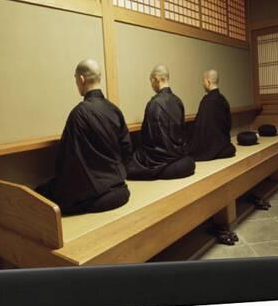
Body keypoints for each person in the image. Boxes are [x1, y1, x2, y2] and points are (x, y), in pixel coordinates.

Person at [35, 59, 133, 215]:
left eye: (76, 80)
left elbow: (66, 161)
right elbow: (127, 150)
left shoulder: (78, 114)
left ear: (82, 79)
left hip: (95, 191)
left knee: (40, 194)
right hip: (118, 186)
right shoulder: (115, 110)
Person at [126, 64, 195, 180]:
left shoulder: (154, 104)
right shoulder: (178, 101)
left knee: (130, 165)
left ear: (156, 79)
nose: (151, 85)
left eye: (151, 81)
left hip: (159, 157)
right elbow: (182, 131)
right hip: (178, 153)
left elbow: (147, 137)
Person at [188, 69, 236, 161]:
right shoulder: (223, 100)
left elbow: (199, 126)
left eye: (203, 81)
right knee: (230, 149)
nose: (203, 83)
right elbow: (228, 125)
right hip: (222, 145)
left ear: (208, 82)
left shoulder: (205, 101)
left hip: (207, 146)